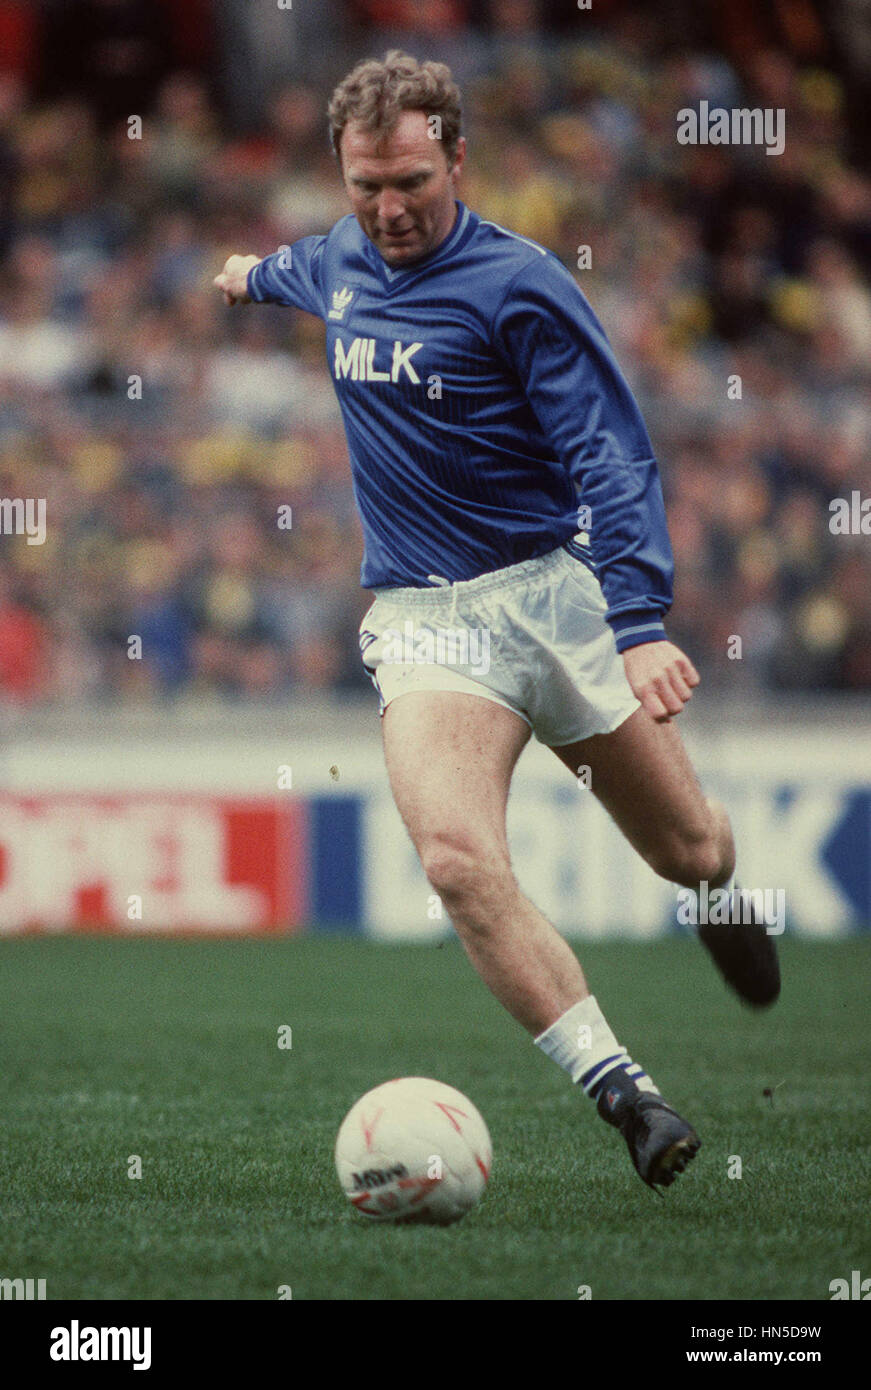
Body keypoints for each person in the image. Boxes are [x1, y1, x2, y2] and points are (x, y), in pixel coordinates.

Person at [214, 50, 779, 1189]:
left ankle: (721, 886)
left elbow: (608, 455)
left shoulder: (521, 285)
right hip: (428, 619)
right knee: (459, 857)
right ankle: (628, 1095)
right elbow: (289, 271)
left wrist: (637, 619)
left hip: (557, 597)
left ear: (459, 158)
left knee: (686, 847)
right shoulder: (335, 257)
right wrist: (240, 274)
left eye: (412, 182)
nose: (388, 209)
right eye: (365, 185)